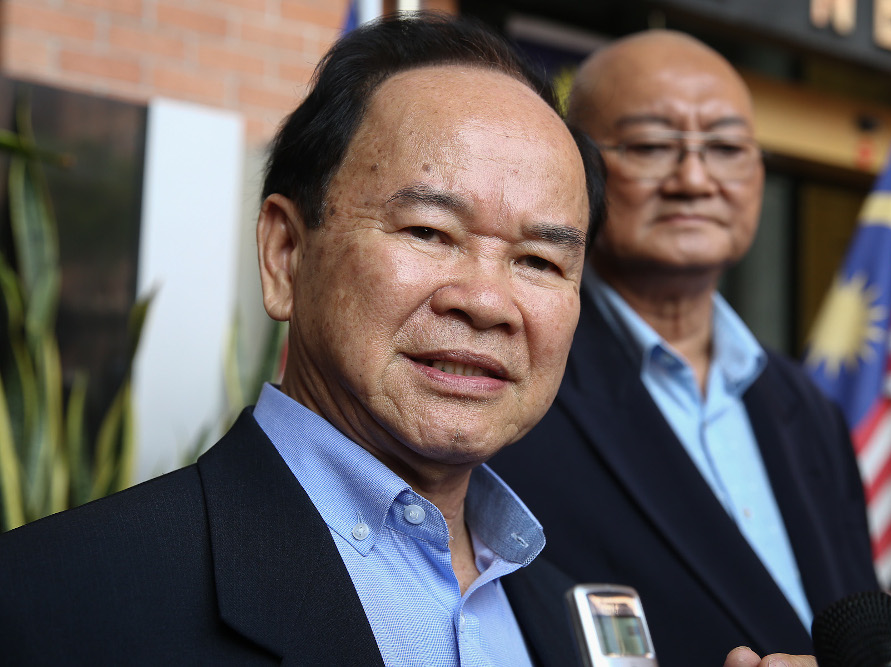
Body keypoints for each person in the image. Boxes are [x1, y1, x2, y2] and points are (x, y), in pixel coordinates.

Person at [0, 13, 816, 667]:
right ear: (286, 252)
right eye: (429, 231)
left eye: (538, 258)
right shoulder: (54, 601)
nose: (488, 301)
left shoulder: (576, 623)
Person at [490, 29, 880, 665]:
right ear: (572, 168)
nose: (695, 179)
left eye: (725, 147)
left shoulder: (808, 408)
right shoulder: (511, 378)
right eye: (651, 145)